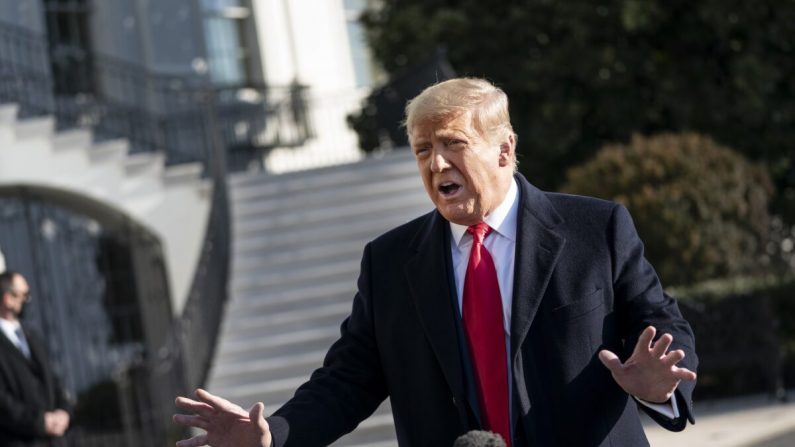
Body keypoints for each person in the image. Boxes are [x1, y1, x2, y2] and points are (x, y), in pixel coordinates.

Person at [174, 78, 697, 446]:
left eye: (453, 144)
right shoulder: (390, 263)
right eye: (423, 150)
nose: (436, 163)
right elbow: (347, 381)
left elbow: (660, 323)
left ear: (504, 149)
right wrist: (272, 437)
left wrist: (662, 385)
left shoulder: (594, 229)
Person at [0, 270, 72, 447]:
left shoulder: (32, 337)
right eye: (24, 295)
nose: (28, 300)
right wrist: (39, 422)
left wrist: (64, 411)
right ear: (8, 298)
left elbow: (54, 381)